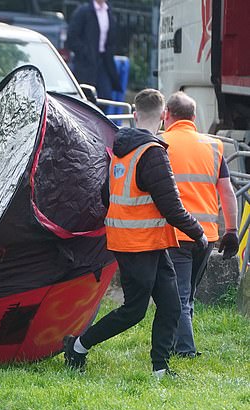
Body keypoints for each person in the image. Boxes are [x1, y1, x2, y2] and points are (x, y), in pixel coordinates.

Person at [63, 88, 207, 378]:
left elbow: (107, 195)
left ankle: (160, 369)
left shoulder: (120, 150)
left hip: (146, 242)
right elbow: (171, 206)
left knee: (170, 305)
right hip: (136, 244)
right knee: (134, 311)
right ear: (164, 116)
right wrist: (199, 233)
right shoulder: (152, 153)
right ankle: (78, 346)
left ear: (135, 113)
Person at [162, 91, 239, 359]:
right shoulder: (214, 146)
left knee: (179, 297)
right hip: (206, 235)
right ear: (194, 117)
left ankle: (185, 350)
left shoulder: (159, 144)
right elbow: (227, 192)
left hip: (175, 233)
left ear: (166, 115)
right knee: (188, 295)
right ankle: (178, 343)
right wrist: (231, 230)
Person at [65, 0, 122, 102]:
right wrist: (85, 52)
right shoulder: (83, 11)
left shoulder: (108, 12)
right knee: (86, 97)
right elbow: (72, 38)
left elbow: (110, 40)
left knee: (105, 96)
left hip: (103, 62)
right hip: (86, 63)